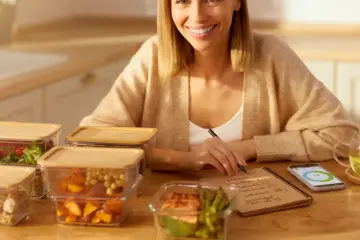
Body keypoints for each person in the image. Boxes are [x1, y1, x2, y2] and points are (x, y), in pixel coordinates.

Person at [80, 0, 359, 176]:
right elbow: (92, 141)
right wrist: (185, 160)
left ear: (237, 2)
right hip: (163, 217)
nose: (197, 16)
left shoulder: (271, 55)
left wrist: (248, 148)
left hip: (264, 219)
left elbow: (344, 136)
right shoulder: (152, 56)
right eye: (182, 1)